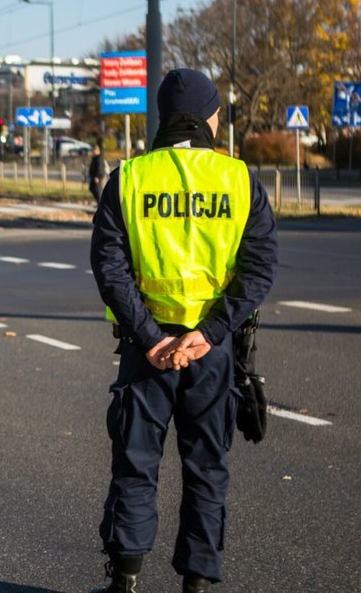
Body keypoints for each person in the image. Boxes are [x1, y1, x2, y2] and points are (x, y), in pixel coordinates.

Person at [90, 69, 278, 593]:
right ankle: (196, 586)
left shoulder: (129, 179)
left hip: (145, 354)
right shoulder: (239, 181)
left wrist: (151, 336)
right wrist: (210, 333)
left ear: (162, 117)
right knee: (206, 470)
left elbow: (109, 269)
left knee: (134, 466)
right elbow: (260, 269)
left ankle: (123, 582)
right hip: (212, 355)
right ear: (210, 117)